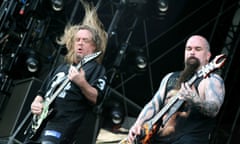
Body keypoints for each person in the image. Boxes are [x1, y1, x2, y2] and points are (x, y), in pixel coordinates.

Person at [28, 1, 108, 144]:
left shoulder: (96, 69)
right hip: (41, 125)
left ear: (94, 46)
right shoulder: (61, 68)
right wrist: (36, 104)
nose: (80, 43)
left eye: (85, 40)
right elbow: (41, 93)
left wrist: (82, 83)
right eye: (77, 40)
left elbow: (97, 98)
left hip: (63, 126)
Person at [127, 35, 225, 144]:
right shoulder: (170, 77)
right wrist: (138, 124)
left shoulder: (211, 80)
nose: (192, 52)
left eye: (198, 49)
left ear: (208, 56)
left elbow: (214, 109)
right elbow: (154, 104)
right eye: (189, 49)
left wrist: (195, 99)